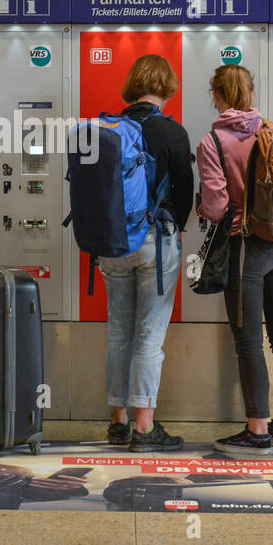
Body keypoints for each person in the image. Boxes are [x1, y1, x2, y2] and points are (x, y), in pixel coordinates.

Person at [196, 64, 273, 455]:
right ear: (251, 93)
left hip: (248, 248)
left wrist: (203, 210)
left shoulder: (213, 142)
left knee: (249, 343)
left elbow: (217, 206)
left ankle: (257, 430)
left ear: (217, 95)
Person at [98, 54, 193, 452]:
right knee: (149, 337)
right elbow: (185, 193)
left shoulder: (106, 128)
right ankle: (144, 427)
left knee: (119, 331)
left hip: (112, 244)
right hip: (155, 241)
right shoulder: (172, 132)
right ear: (167, 87)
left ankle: (118, 421)